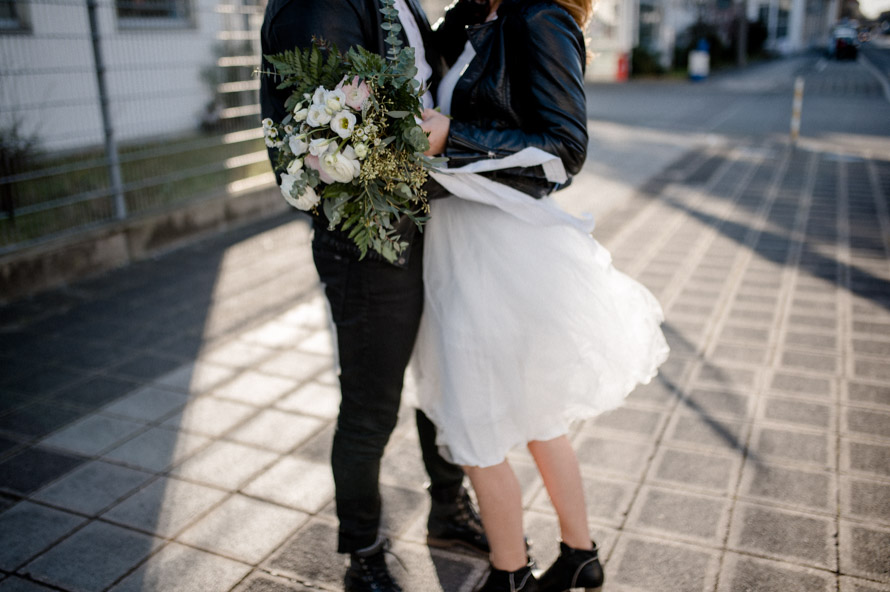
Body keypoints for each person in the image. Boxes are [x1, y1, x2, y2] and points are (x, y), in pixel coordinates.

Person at [416, 0, 670, 590]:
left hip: (497, 249)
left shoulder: (540, 18)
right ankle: (580, 554)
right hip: (464, 239)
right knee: (534, 413)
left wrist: (454, 136)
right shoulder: (477, 14)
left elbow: (564, 150)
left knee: (474, 418)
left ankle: (511, 576)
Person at [259, 1, 492, 591]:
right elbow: (339, 138)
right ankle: (362, 551)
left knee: (444, 376)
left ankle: (447, 509)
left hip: (426, 223)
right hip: (369, 242)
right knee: (370, 408)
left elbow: (414, 64)